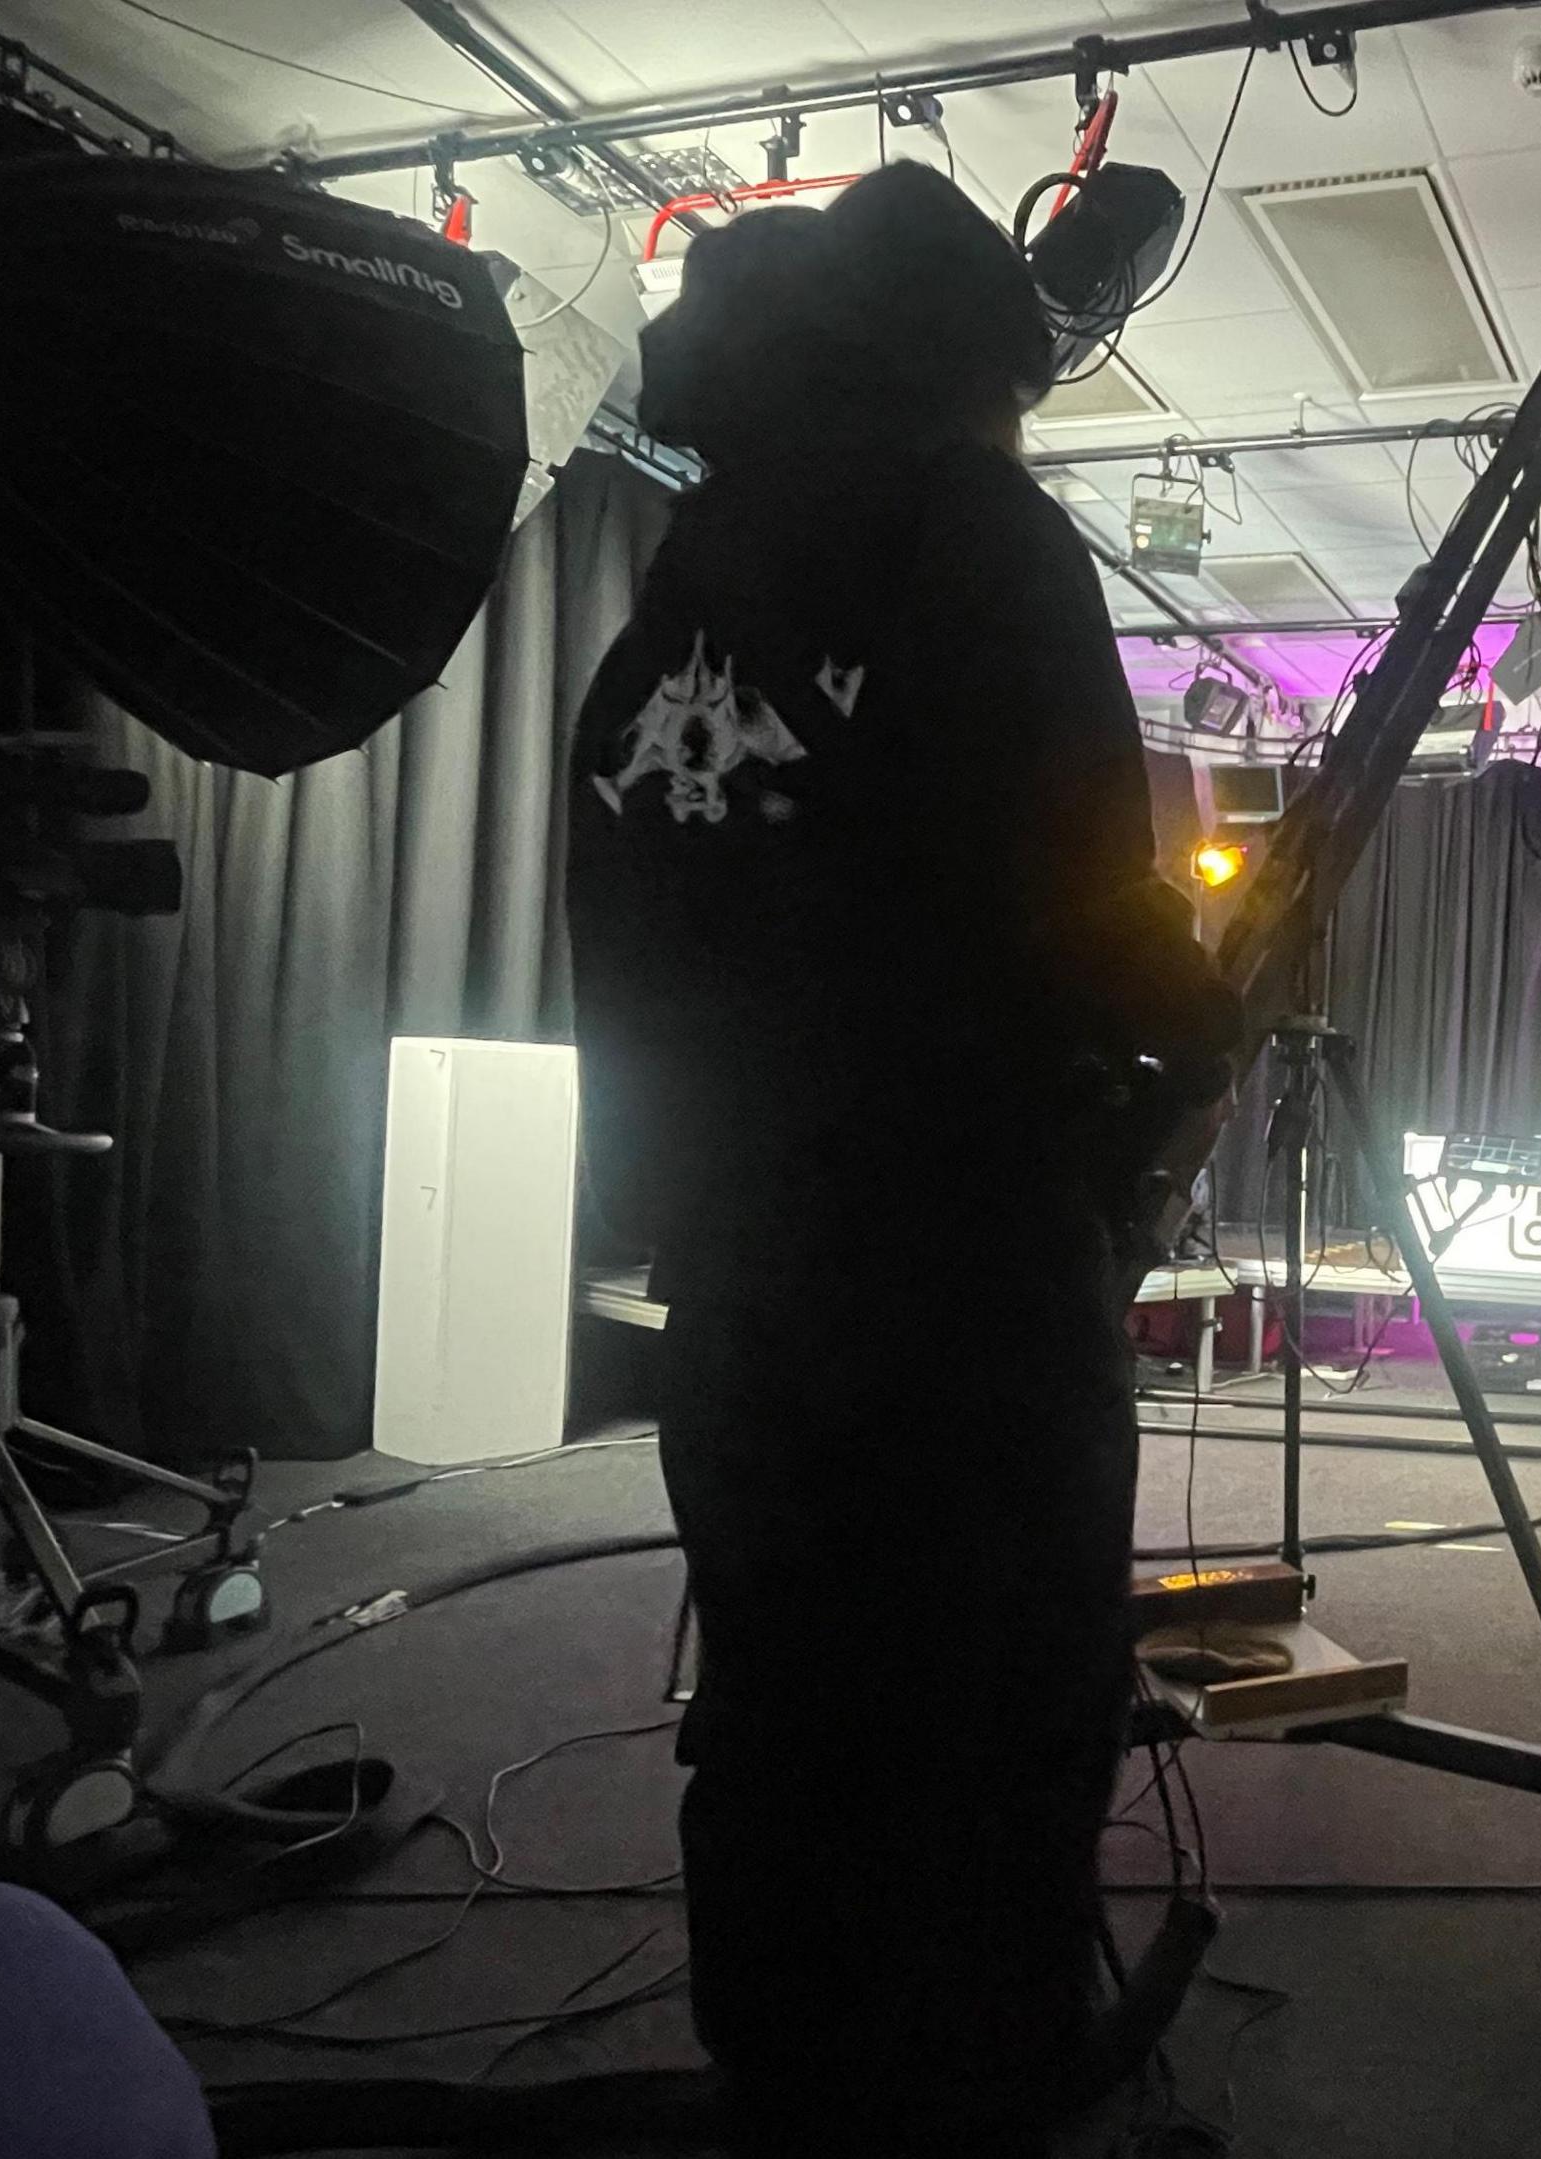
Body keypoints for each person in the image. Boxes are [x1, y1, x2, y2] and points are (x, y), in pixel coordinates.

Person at [561, 166, 1235, 2154]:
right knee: (1003, 1701)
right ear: (970, 364)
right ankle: (989, 2084)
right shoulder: (980, 537)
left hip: (749, 1279)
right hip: (965, 1266)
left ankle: (786, 2069)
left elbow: (647, 941)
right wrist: (1210, 1014)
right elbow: (1091, 911)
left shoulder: (686, 587)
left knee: (776, 1699)